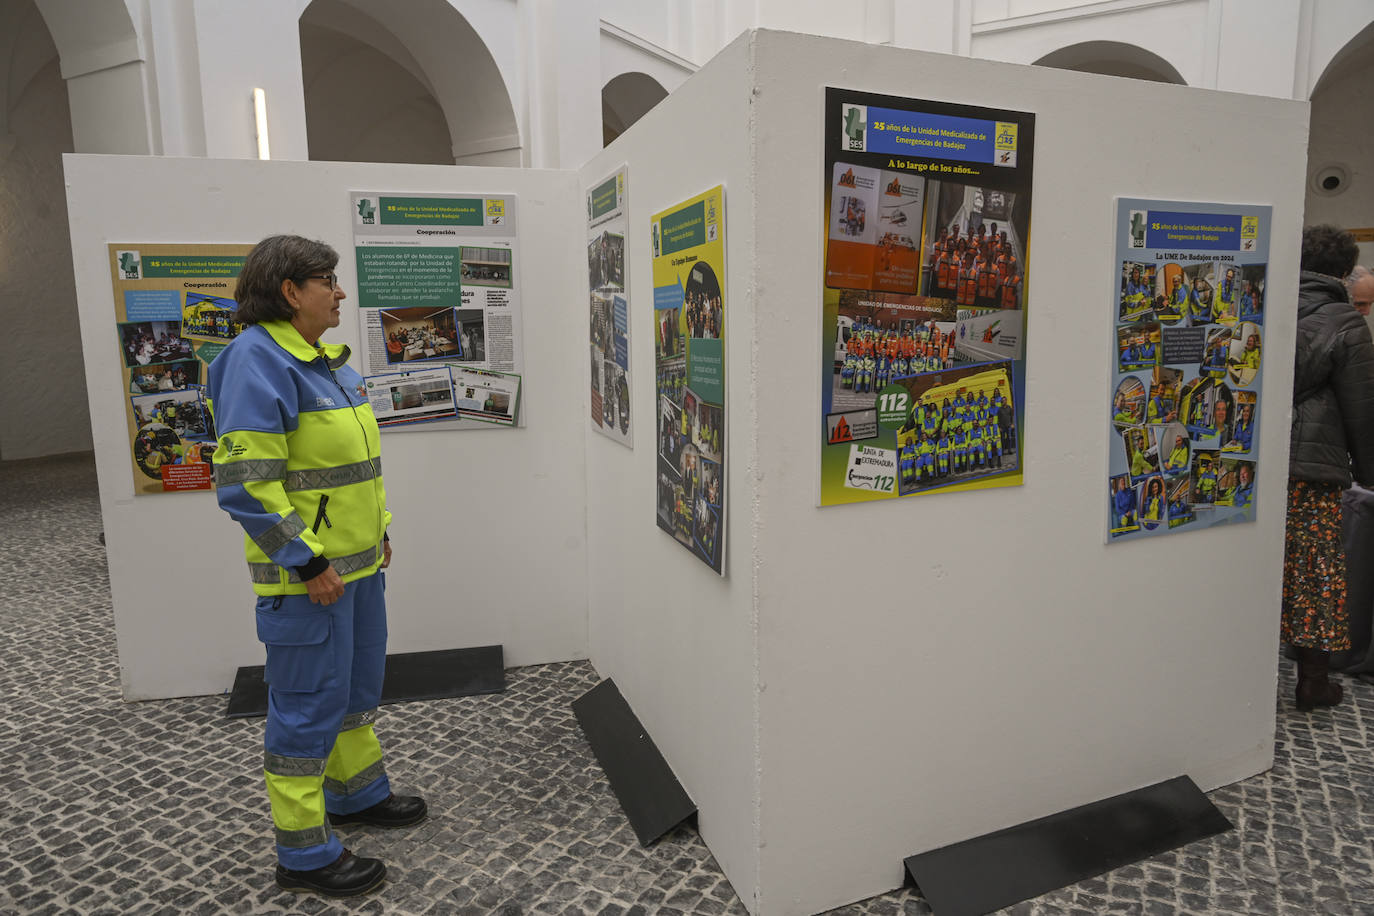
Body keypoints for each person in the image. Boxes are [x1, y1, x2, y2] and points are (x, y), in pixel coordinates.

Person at [206, 236, 425, 898]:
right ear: (287, 291)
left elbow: (355, 472)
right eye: (326, 279)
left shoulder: (326, 363)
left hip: (356, 571)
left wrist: (379, 532)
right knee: (305, 711)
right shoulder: (256, 362)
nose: (339, 292)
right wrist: (305, 562)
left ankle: (358, 792)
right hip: (310, 581)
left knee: (355, 695)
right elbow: (246, 485)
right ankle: (303, 855)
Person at [1284, 225, 1374, 710]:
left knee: (1262, 569)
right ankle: (1312, 683)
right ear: (1343, 271)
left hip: (1256, 468)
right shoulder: (1345, 321)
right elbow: (1363, 408)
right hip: (1312, 471)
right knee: (1314, 574)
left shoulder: (1266, 304)